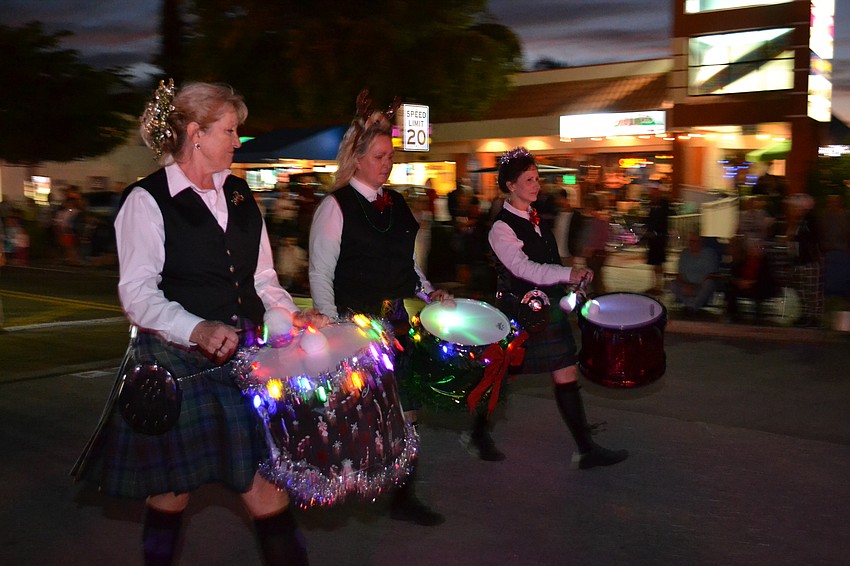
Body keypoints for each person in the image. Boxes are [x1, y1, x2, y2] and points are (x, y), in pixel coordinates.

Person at [71, 80, 328, 566]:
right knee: (171, 493)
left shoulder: (240, 194)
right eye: (230, 131)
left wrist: (289, 314)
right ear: (195, 133)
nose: (237, 141)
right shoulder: (145, 201)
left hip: (244, 361)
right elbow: (138, 295)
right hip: (179, 364)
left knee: (267, 491)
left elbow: (263, 278)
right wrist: (197, 328)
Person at [308, 90, 454, 527]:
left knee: (408, 409)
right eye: (378, 156)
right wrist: (333, 331)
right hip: (355, 326)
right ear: (356, 158)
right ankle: (345, 482)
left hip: (396, 322)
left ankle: (402, 495)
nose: (387, 162)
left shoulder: (399, 205)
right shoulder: (334, 207)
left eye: (390, 155)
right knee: (358, 413)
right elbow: (320, 275)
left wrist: (430, 294)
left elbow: (408, 267)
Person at [473, 146, 628, 469]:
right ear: (511, 186)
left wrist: (570, 282)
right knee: (504, 373)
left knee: (564, 370)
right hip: (520, 313)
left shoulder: (536, 218)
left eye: (537, 178)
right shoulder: (501, 228)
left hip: (545, 310)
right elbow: (523, 269)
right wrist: (565, 273)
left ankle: (585, 449)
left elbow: (548, 264)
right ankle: (478, 433)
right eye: (528, 179)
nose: (536, 184)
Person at [786, 193, 823, 327]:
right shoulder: (800, 222)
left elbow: (810, 239)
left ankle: (813, 317)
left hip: (809, 260)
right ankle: (807, 315)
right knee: (802, 289)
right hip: (801, 260)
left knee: (811, 290)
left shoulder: (809, 221)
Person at [725, 236, 778, 323]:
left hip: (759, 286)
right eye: (753, 247)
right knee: (731, 289)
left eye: (758, 248)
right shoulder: (743, 261)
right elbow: (734, 274)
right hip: (744, 285)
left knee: (760, 289)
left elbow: (767, 278)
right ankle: (733, 315)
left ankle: (757, 318)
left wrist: (751, 283)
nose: (756, 250)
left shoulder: (766, 262)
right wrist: (739, 282)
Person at [669, 233, 720, 314]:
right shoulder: (684, 254)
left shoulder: (709, 254)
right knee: (672, 284)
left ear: (700, 242)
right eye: (690, 241)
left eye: (695, 241)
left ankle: (692, 305)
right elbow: (680, 274)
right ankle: (692, 304)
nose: (692, 243)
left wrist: (695, 286)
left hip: (701, 286)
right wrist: (686, 285)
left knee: (709, 283)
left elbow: (711, 274)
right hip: (687, 285)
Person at [644, 183, 670, 295]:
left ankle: (658, 285)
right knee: (655, 262)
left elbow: (662, 221)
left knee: (658, 262)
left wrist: (655, 232)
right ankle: (655, 284)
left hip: (659, 238)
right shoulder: (653, 204)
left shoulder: (662, 204)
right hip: (654, 239)